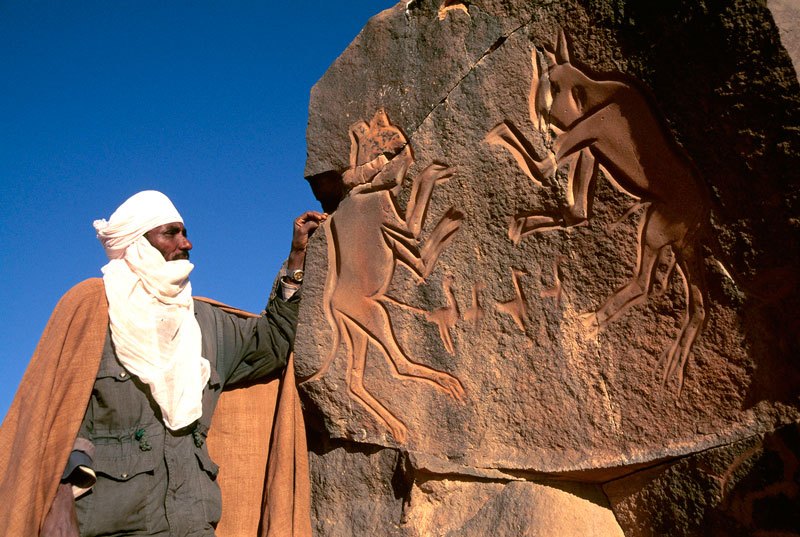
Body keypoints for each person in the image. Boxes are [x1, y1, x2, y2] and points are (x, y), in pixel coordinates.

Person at [0, 190, 327, 537]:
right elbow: (53, 422)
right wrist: (59, 504)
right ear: (137, 242)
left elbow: (273, 342)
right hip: (109, 525)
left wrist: (297, 258)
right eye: (171, 233)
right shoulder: (92, 307)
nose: (186, 244)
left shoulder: (205, 323)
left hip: (190, 524)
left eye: (184, 233)